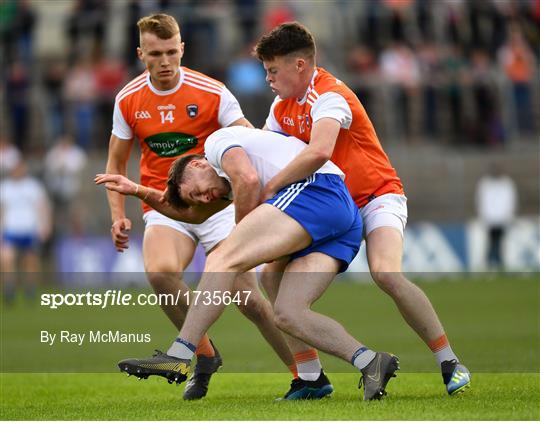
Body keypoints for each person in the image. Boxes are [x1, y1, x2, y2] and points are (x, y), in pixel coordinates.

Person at [96, 126, 400, 401]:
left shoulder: (216, 144)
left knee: (222, 258)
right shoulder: (220, 186)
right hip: (342, 222)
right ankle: (361, 364)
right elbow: (192, 215)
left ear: (199, 164)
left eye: (197, 191)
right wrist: (137, 189)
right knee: (287, 312)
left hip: (317, 192)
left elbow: (249, 179)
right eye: (198, 199)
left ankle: (179, 355)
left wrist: (239, 236)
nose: (204, 199)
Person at [253, 22, 470, 395]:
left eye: (273, 70)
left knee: (385, 273)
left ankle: (449, 362)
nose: (268, 79)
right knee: (270, 276)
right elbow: (267, 153)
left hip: (376, 196)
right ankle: (310, 378)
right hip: (333, 209)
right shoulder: (280, 107)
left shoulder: (331, 96)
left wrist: (270, 187)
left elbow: (319, 150)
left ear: (300, 66)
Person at [105, 13, 295, 400]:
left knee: (251, 302)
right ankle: (204, 354)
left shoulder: (212, 92)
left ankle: (305, 374)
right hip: (165, 205)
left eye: (171, 52)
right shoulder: (128, 99)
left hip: (217, 206)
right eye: (155, 53)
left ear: (182, 50)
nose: (164, 61)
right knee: (159, 273)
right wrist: (118, 216)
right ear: (141, 53)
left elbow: (250, 140)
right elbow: (115, 164)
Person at [0, 160, 51, 304]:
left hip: (30, 229)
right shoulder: (5, 187)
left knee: (31, 261)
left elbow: (43, 207)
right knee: (7, 259)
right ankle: (9, 288)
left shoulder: (33, 187)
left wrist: (45, 225)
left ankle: (30, 289)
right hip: (11, 229)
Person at [475, 163, 517, 270]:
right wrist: (483, 216)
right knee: (491, 241)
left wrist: (509, 215)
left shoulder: (506, 183)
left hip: (502, 218)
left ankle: (499, 263)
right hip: (490, 219)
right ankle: (489, 263)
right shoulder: (485, 184)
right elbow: (481, 201)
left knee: (499, 241)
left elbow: (511, 200)